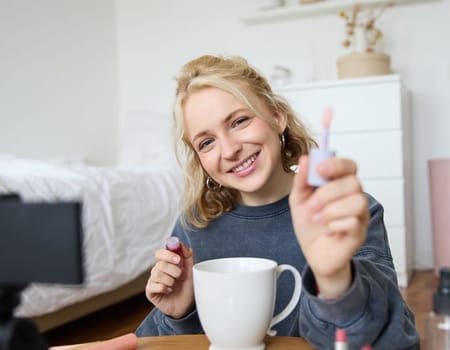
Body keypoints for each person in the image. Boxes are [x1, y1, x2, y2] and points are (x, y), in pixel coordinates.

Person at [135, 55, 419, 349]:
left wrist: (334, 279)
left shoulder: (343, 213)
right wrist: (176, 316)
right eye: (207, 142)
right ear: (200, 159)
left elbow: (396, 340)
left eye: (239, 121)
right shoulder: (194, 226)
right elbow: (159, 341)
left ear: (277, 116)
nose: (230, 150)